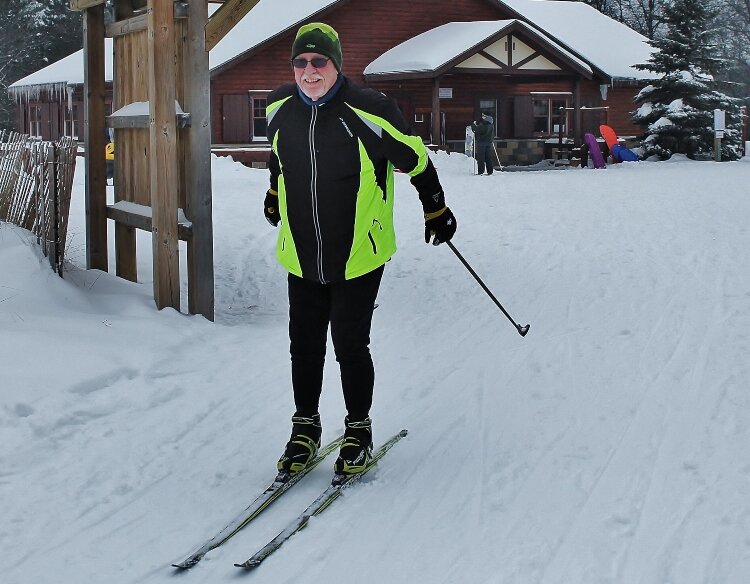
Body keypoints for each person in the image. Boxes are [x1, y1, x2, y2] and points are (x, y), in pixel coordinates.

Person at [263, 22, 456, 479]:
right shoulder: (278, 108)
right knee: (303, 346)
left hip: (358, 253)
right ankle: (305, 425)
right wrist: (274, 193)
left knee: (350, 344)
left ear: (336, 65)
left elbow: (417, 158)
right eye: (301, 62)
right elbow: (278, 157)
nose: (309, 71)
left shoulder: (370, 109)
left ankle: (358, 429)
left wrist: (436, 208)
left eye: (319, 62)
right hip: (301, 250)